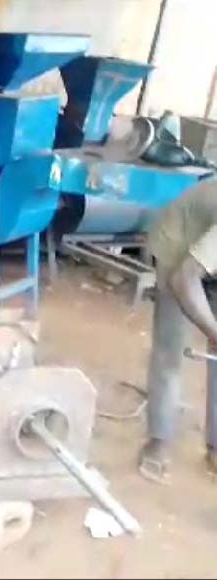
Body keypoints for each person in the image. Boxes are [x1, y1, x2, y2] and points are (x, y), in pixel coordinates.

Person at [139, 180, 217, 483]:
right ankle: (157, 443)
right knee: (170, 352)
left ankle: (215, 447)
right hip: (178, 248)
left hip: (208, 253)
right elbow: (184, 279)